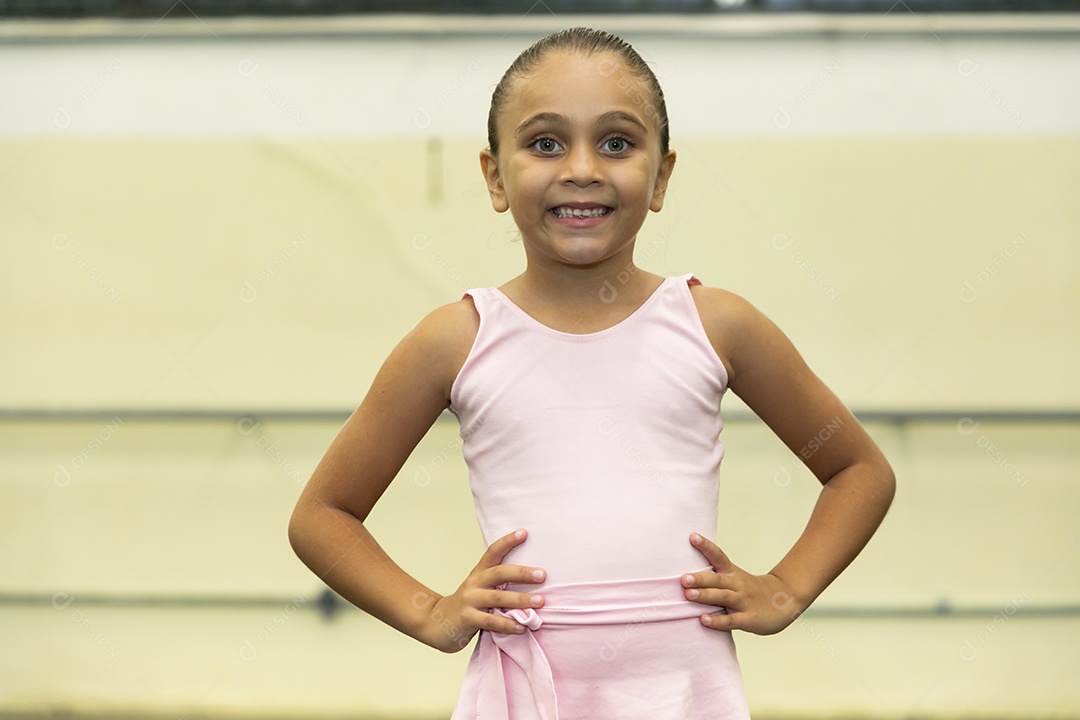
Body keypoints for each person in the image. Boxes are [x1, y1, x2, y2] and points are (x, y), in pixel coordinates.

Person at [288, 27, 896, 720]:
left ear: (662, 176)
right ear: (495, 176)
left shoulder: (716, 325)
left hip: (684, 688)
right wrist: (431, 612)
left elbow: (858, 470)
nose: (582, 168)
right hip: (526, 685)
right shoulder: (455, 340)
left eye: (616, 142)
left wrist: (786, 589)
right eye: (546, 143)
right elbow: (322, 516)